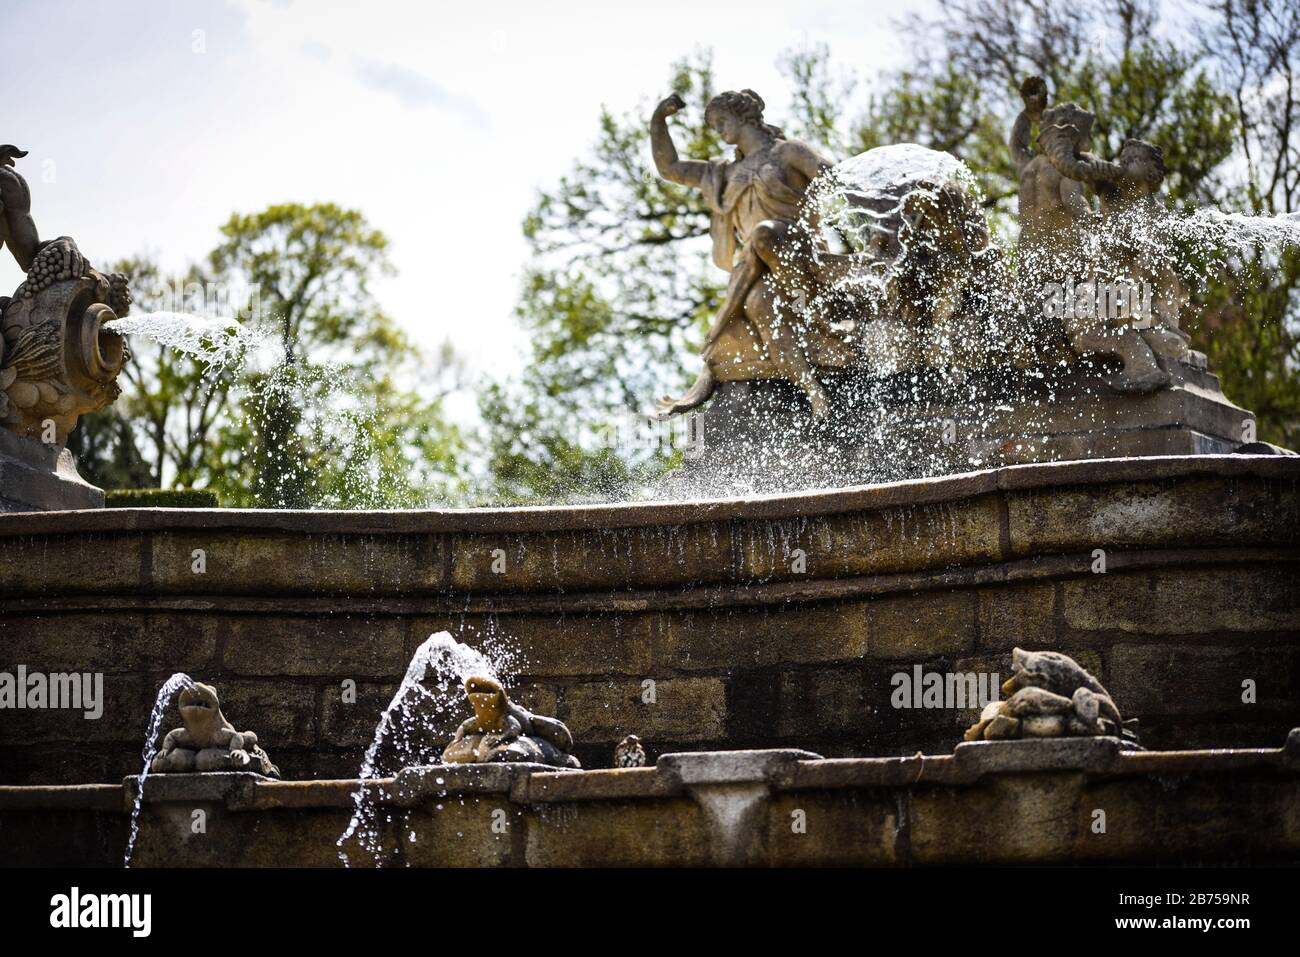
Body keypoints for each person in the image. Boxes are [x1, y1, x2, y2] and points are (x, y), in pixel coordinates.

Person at [650, 90, 834, 417]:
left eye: (722, 121)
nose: (718, 130)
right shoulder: (724, 173)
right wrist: (658, 122)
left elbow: (833, 177)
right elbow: (671, 168)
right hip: (757, 270)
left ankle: (815, 310)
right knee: (758, 303)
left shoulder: (788, 152)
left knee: (764, 232)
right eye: (713, 125)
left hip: (797, 255)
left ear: (744, 116)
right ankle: (814, 394)